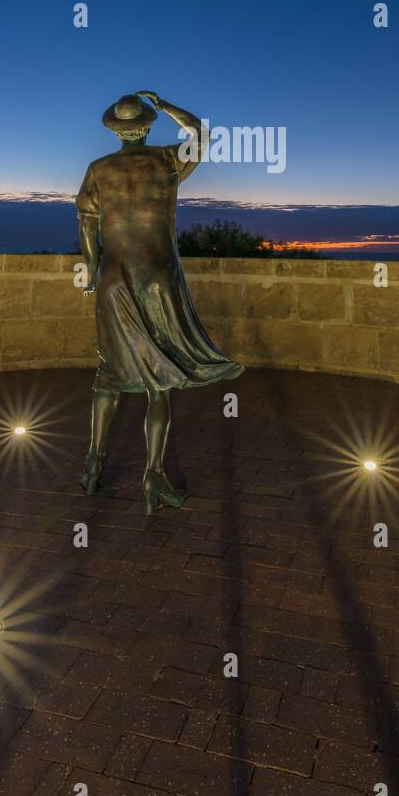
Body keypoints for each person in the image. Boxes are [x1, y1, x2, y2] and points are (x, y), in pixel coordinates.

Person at [76, 91, 244, 514]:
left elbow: (86, 223)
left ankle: (93, 466)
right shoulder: (168, 160)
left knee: (109, 374)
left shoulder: (99, 169)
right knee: (160, 381)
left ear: (115, 130)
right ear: (147, 126)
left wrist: (94, 272)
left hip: (114, 277)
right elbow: (202, 135)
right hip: (158, 276)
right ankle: (153, 475)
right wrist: (168, 104)